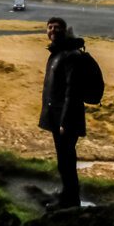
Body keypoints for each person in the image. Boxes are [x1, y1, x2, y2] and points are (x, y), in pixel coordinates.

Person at [38, 16, 87, 208]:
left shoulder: (70, 55)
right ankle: (67, 194)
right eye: (49, 27)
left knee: (66, 160)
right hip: (58, 116)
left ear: (65, 30)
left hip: (66, 119)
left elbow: (72, 92)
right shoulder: (58, 52)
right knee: (64, 158)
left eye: (57, 27)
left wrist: (65, 122)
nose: (52, 30)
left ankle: (70, 200)